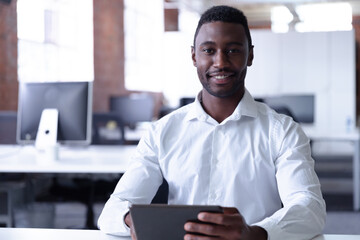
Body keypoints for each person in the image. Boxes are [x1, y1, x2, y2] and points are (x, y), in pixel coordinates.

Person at [98, 5, 326, 240]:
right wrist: (130, 219)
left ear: (250, 55)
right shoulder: (162, 132)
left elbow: (309, 208)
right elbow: (112, 210)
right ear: (194, 56)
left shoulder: (282, 131)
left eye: (233, 50)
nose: (220, 62)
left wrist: (254, 233)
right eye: (208, 50)